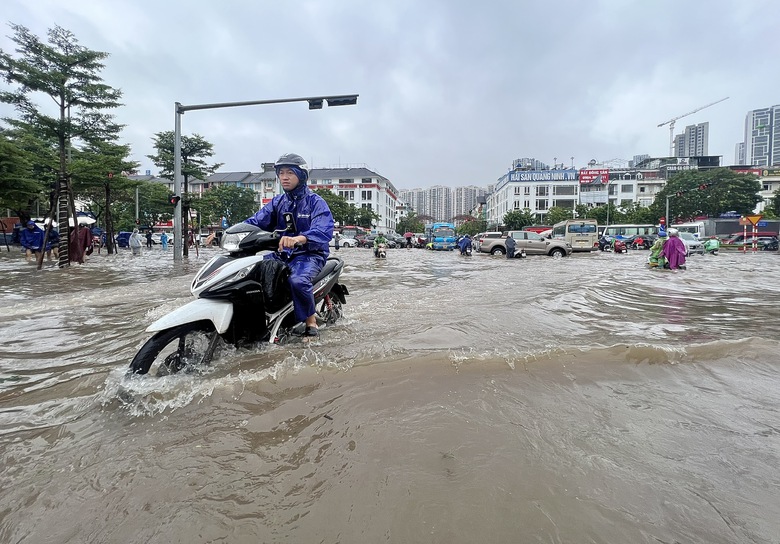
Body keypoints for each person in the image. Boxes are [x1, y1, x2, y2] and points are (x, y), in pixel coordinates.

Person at [244, 153, 334, 337]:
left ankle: (311, 323)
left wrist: (300, 239)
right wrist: (227, 232)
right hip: (282, 254)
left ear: (301, 175)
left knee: (298, 281)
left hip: (309, 255)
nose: (284, 177)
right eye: (281, 173)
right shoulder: (278, 202)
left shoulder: (316, 202)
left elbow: (323, 230)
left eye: (290, 173)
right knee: (247, 272)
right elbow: (254, 222)